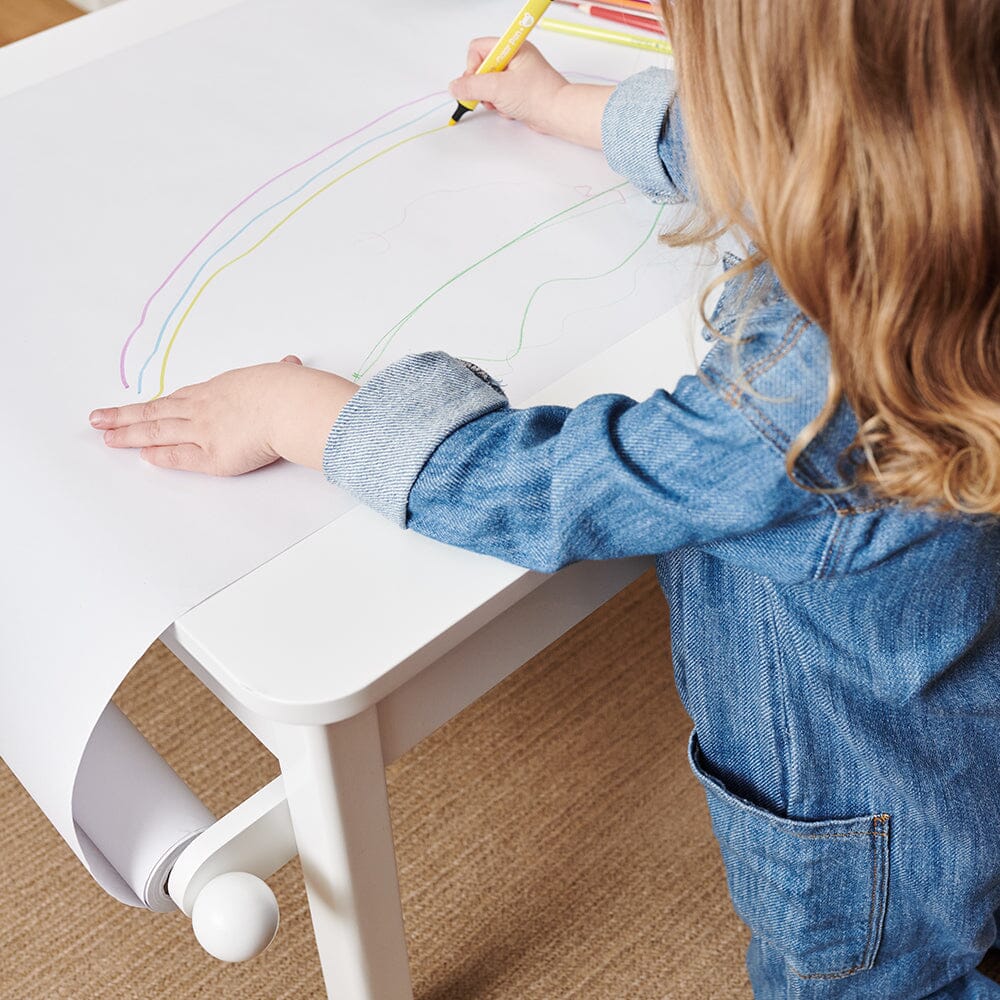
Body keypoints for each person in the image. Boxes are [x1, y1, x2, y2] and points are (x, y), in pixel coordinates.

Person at [89, 2, 1000, 995]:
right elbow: (821, 145)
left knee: (885, 973)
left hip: (864, 827)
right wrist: (566, 105)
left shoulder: (806, 393)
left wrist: (301, 413)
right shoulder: (950, 183)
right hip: (958, 717)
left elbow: (550, 486)